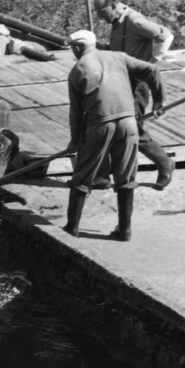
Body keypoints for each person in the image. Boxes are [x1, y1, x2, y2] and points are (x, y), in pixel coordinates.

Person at [64, 30, 163, 242]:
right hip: (129, 123)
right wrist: (158, 101)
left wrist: (74, 142)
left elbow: (76, 113)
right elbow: (152, 69)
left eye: (73, 49)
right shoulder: (119, 57)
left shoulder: (78, 70)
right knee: (126, 176)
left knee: (82, 176)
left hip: (99, 124)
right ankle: (125, 231)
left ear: (77, 48)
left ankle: (71, 228)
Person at [93, 0, 176, 190]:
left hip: (137, 85)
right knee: (110, 123)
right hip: (120, 82)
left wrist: (151, 61)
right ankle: (103, 176)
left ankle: (164, 163)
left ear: (114, 5)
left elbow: (166, 36)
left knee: (132, 128)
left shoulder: (135, 21)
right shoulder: (117, 24)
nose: (102, 18)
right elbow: (120, 53)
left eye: (104, 13)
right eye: (99, 15)